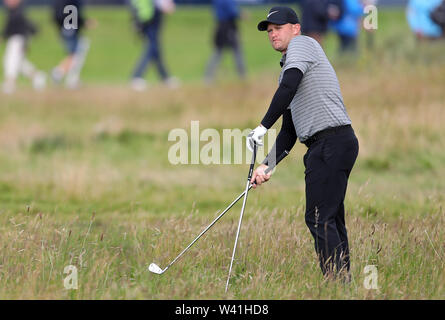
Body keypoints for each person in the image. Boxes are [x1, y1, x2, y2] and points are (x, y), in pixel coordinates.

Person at [248, 7, 359, 280]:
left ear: (295, 28)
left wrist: (262, 126)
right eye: (269, 31)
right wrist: (267, 166)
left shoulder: (303, 44)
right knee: (330, 217)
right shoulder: (288, 69)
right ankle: (343, 281)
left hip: (332, 142)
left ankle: (335, 282)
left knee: (319, 217)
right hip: (329, 145)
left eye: (278, 27)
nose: (273, 34)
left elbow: (287, 88)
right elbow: (289, 131)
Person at [130, 0, 179, 91]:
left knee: (155, 47)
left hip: (145, 14)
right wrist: (166, 4)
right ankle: (137, 76)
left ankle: (165, 77)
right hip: (150, 14)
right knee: (152, 47)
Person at [1, 0, 46, 94]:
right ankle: (37, 76)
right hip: (15, 39)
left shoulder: (18, 13)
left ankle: (10, 84)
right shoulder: (13, 11)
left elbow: (19, 28)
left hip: (18, 40)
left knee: (11, 61)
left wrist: (24, 43)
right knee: (19, 63)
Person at [204, 0, 246, 84]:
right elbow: (232, 11)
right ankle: (242, 77)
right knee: (236, 51)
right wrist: (241, 14)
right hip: (228, 27)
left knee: (218, 52)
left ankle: (208, 78)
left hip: (220, 25)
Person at [51, 0, 91, 89]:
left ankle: (72, 78)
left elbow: (55, 16)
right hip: (70, 29)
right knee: (74, 54)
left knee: (77, 51)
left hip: (65, 28)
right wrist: (84, 22)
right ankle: (58, 73)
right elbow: (74, 14)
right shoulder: (72, 1)